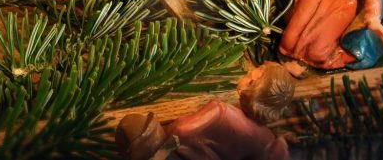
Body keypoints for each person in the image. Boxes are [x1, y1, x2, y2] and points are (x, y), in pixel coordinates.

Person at [116, 62, 294, 160]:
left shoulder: (220, 111)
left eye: (249, 76)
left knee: (136, 127)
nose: (245, 75)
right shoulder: (267, 138)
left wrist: (164, 134)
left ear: (251, 86)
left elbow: (182, 129)